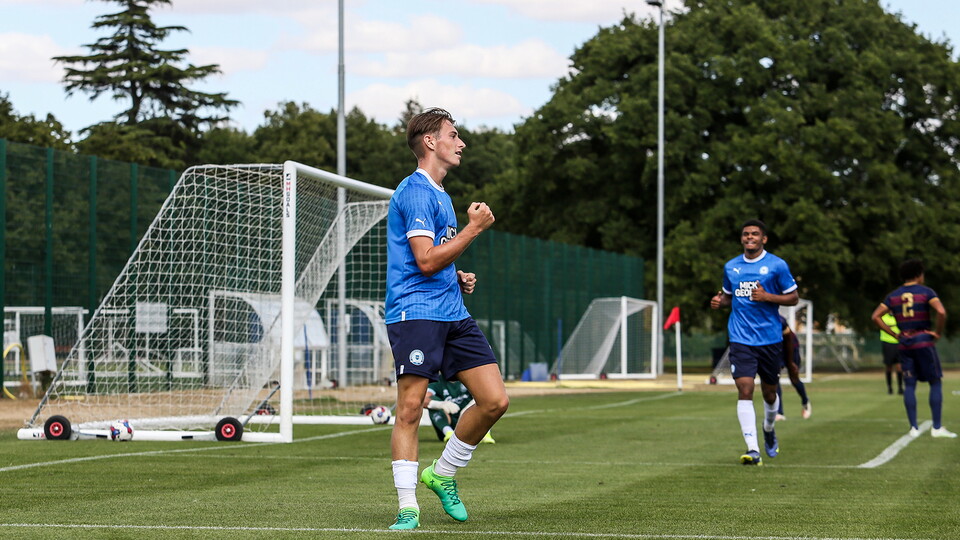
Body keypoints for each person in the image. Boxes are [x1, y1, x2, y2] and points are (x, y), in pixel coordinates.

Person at [385, 107, 509, 530]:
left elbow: (434, 255)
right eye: (453, 135)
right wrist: (473, 230)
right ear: (431, 142)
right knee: (411, 408)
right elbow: (421, 261)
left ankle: (442, 473)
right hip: (415, 313)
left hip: (452, 312)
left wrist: (457, 274)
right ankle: (407, 506)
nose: (461, 143)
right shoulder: (416, 190)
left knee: (494, 400)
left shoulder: (440, 194)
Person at [710, 219, 799, 466]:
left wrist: (767, 296)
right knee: (745, 389)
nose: (750, 237)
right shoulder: (731, 267)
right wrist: (720, 302)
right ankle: (753, 448)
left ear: (764, 239)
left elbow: (793, 297)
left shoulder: (777, 265)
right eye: (746, 234)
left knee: (770, 393)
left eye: (755, 234)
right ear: (742, 239)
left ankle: (769, 428)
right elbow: (729, 297)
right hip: (740, 338)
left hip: (770, 339)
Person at [871, 259, 956, 439]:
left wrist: (895, 335)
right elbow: (941, 312)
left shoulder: (893, 296)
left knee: (909, 384)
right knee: (935, 382)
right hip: (923, 341)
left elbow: (876, 316)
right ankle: (937, 427)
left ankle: (913, 428)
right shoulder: (926, 292)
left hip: (904, 343)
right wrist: (937, 333)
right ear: (919, 275)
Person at [423, 375, 496, 444]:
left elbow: (488, 396)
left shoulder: (469, 379)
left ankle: (485, 434)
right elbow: (423, 399)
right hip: (450, 421)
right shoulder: (436, 381)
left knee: (483, 402)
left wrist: (471, 406)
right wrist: (440, 405)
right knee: (432, 403)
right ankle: (449, 433)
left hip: (470, 421)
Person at [774, 315, 811, 421]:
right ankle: (779, 412)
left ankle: (805, 401)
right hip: (776, 349)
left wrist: (790, 362)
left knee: (794, 379)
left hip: (791, 348)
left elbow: (789, 340)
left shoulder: (779, 321)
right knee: (775, 378)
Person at [879, 311, 904, 395]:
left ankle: (900, 387)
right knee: (889, 366)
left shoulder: (899, 316)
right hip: (887, 343)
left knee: (899, 366)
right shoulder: (883, 317)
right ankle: (889, 387)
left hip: (898, 343)